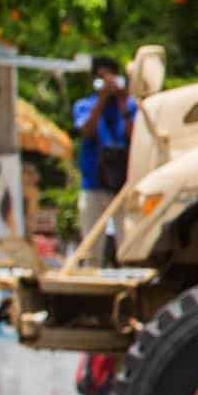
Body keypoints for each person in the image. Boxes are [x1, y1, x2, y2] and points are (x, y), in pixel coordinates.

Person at [72, 55, 136, 250]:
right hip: (93, 183)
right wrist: (101, 100)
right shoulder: (84, 105)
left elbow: (136, 136)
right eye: (102, 79)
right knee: (91, 247)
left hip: (123, 185)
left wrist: (123, 101)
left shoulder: (129, 105)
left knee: (129, 244)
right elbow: (87, 130)